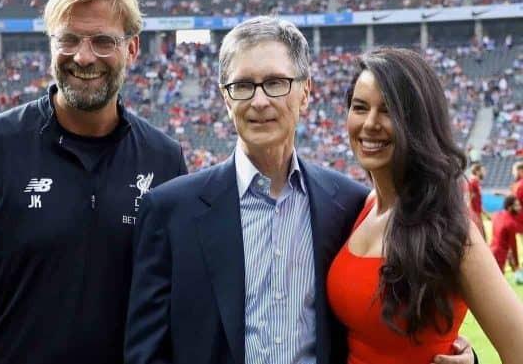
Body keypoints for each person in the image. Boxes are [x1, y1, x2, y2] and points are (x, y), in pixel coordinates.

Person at [124, 18, 474, 364]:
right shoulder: (170, 211)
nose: (259, 100)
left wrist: (459, 356)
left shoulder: (349, 205)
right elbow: (145, 353)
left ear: (305, 92)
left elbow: (382, 326)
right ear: (226, 98)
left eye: (275, 83)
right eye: (243, 85)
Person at [0, 0, 187, 364]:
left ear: (132, 49)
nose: (83, 57)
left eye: (103, 41)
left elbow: (179, 297)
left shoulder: (164, 159)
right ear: (52, 45)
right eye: (68, 39)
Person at [327, 47, 523, 364]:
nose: (370, 123)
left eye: (389, 110)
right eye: (360, 107)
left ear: (417, 122)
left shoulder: (451, 232)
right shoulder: (363, 207)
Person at [490, 196, 523, 273]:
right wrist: (517, 265)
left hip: (491, 250)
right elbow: (513, 245)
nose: (520, 208)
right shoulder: (510, 223)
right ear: (509, 208)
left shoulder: (497, 215)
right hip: (500, 255)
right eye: (517, 205)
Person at [467, 163, 486, 240]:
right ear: (477, 171)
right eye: (483, 170)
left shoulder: (475, 182)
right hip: (474, 212)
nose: (484, 172)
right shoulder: (473, 182)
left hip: (476, 211)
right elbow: (469, 197)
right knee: (478, 235)